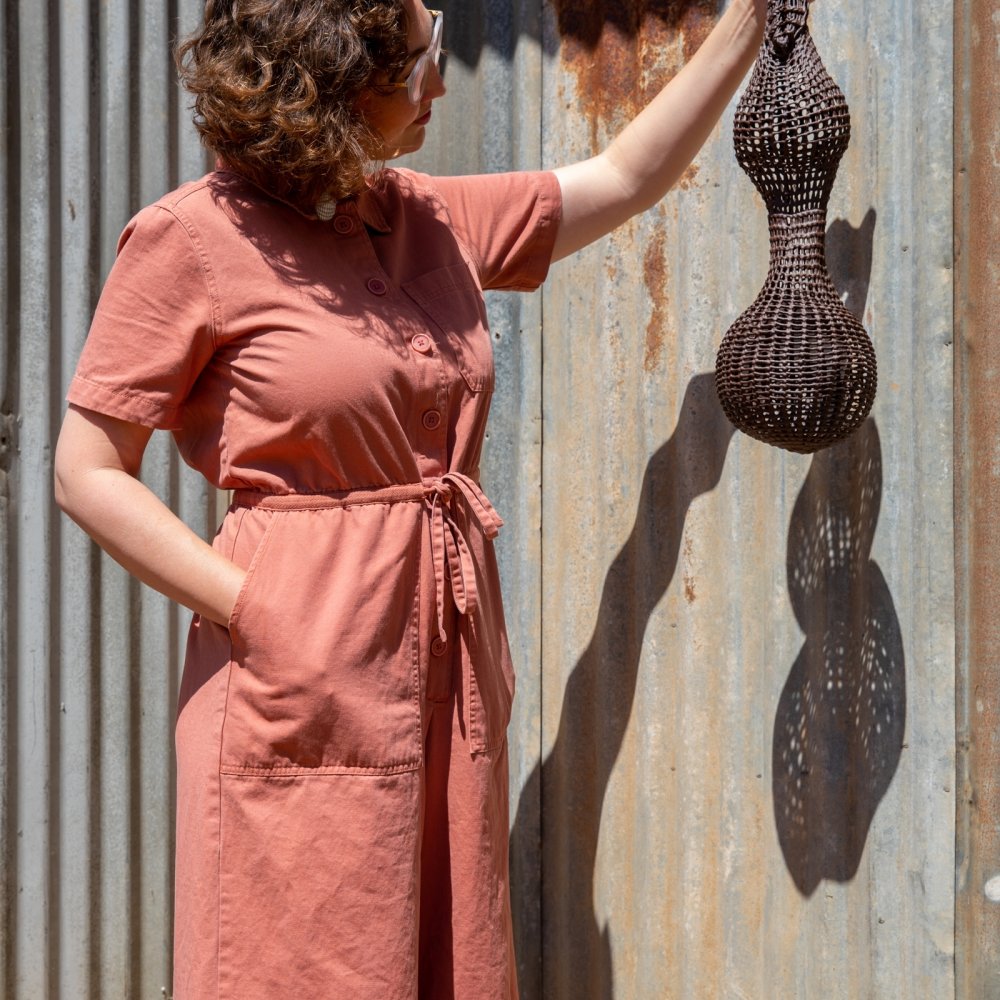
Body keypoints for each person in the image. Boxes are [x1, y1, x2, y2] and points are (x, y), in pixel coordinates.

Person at [54, 0, 774, 996]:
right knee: (301, 953)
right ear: (336, 85)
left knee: (447, 950)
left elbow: (621, 177)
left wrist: (747, 24)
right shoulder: (188, 242)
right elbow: (85, 469)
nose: (441, 81)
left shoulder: (422, 215)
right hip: (297, 662)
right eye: (421, 61)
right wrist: (255, 608)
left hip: (442, 644)